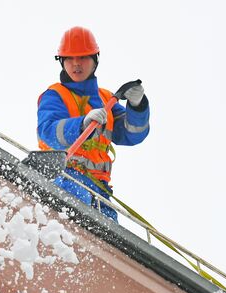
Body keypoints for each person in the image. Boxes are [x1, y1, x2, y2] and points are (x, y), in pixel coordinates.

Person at [37, 26, 150, 221]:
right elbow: (48, 132)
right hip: (66, 177)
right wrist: (82, 124)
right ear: (62, 61)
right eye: (70, 58)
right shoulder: (55, 95)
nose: (76, 64)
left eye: (82, 57)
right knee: (76, 214)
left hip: (100, 189)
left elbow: (132, 134)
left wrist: (137, 106)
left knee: (112, 234)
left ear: (95, 60)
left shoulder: (106, 100)